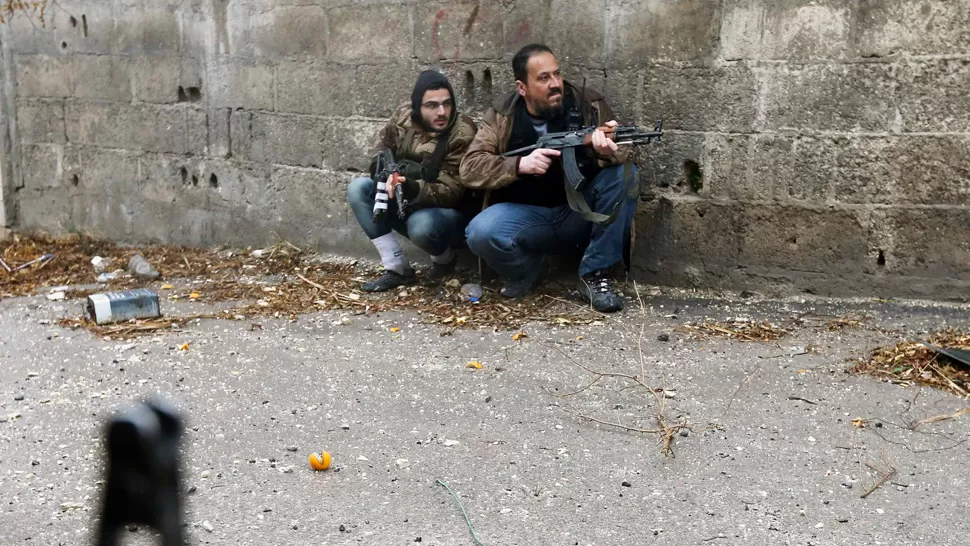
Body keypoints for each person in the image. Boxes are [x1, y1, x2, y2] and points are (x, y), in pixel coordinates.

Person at [459, 44, 638, 312]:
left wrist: (607, 152)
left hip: (580, 215)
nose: (556, 84)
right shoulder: (503, 114)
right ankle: (528, 271)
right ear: (522, 88)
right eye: (543, 78)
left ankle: (595, 275)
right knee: (480, 232)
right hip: (526, 219)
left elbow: (626, 148)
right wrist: (519, 165)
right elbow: (470, 168)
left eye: (557, 74)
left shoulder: (588, 103)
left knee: (627, 176)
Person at [347, 71, 478, 292]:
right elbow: (382, 147)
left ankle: (445, 261)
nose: (441, 112)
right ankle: (396, 268)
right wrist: (382, 171)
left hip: (448, 215)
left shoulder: (462, 131)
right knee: (358, 189)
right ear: (417, 107)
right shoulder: (404, 116)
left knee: (421, 225)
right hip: (405, 199)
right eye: (432, 105)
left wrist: (409, 187)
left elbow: (453, 190)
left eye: (447, 104)